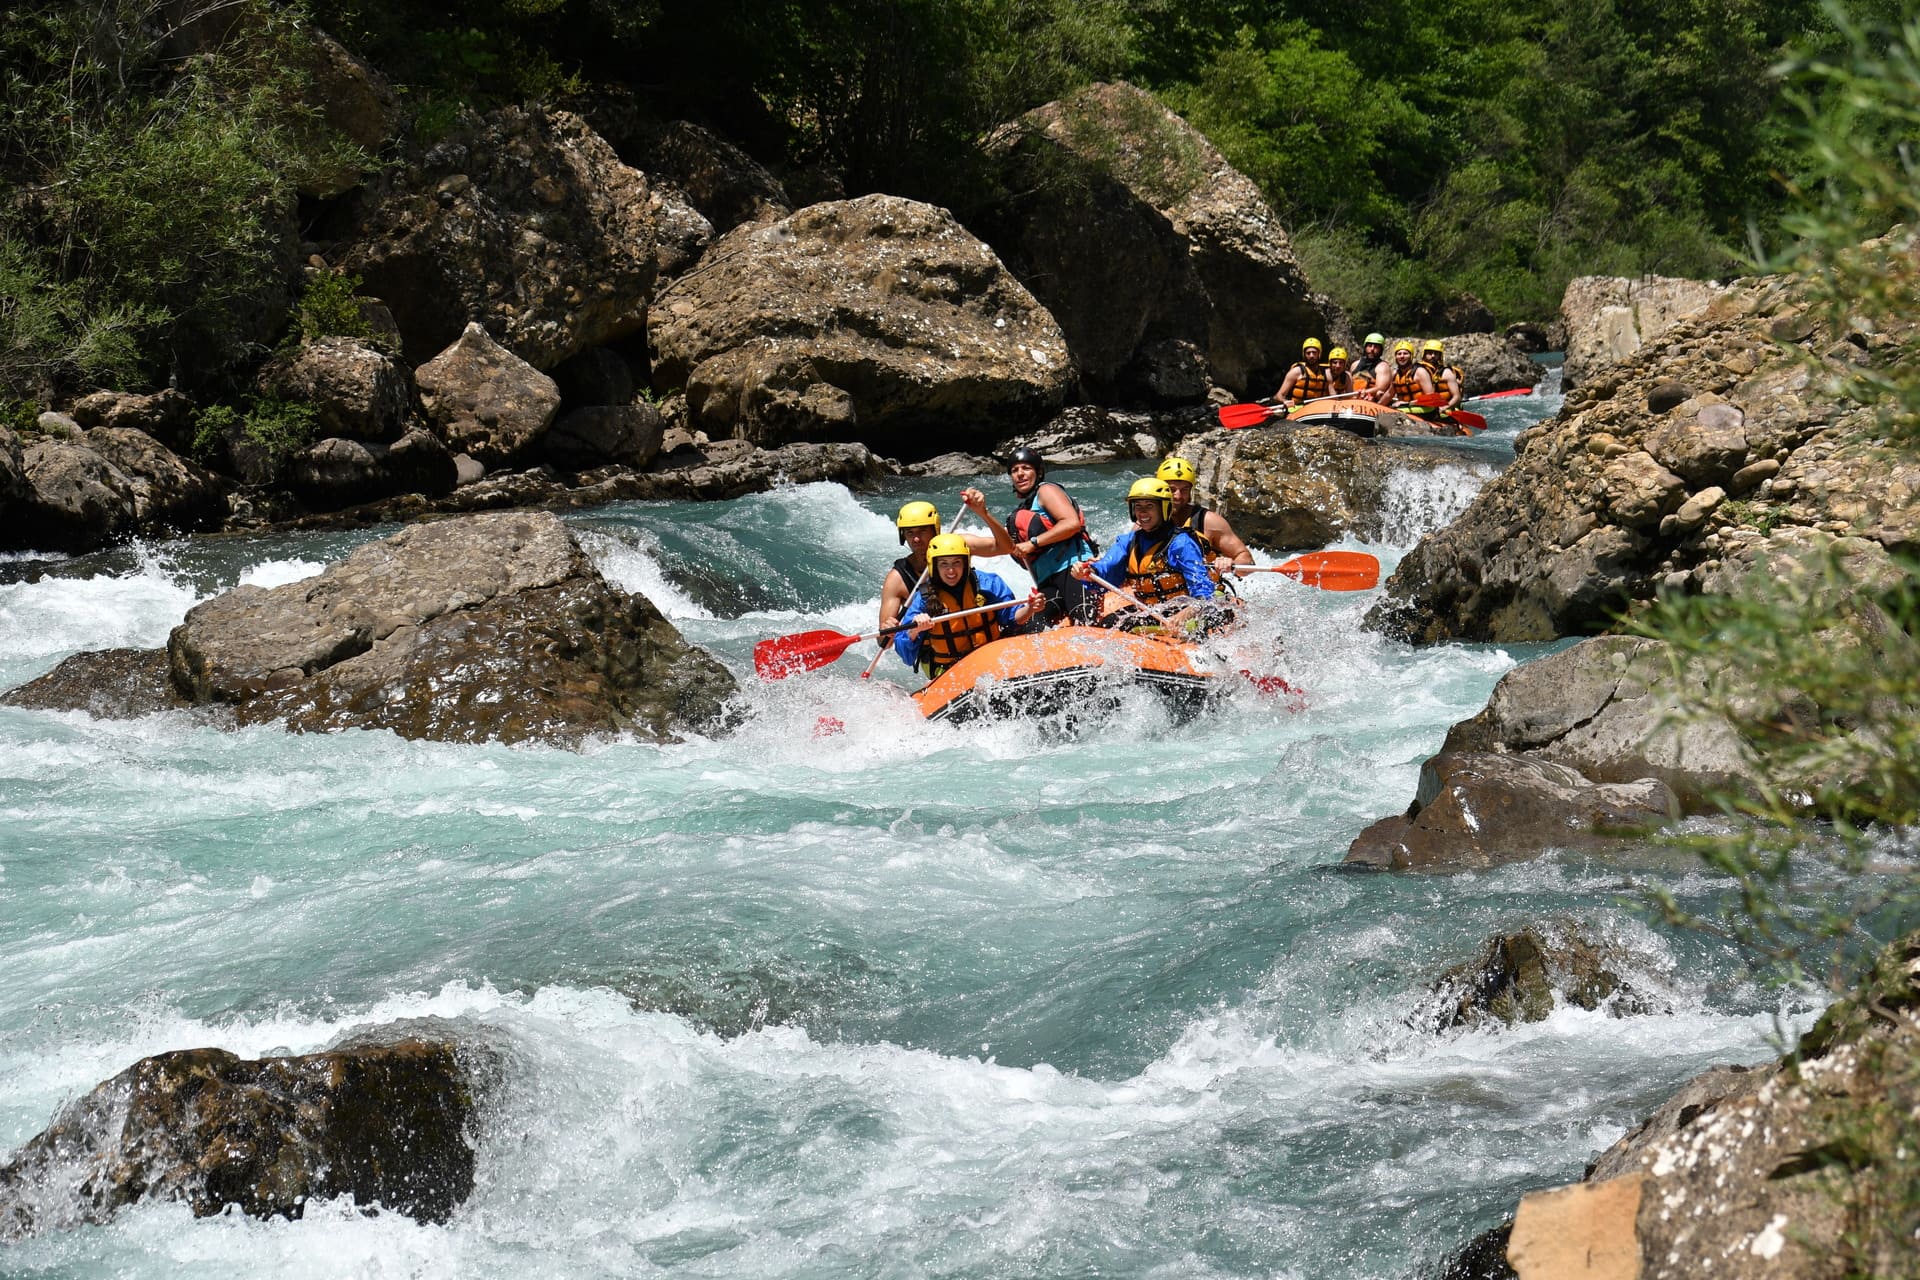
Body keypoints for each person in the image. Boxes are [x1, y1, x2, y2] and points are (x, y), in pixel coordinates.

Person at [1070, 478, 1223, 632]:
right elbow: (1107, 566)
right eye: (1138, 506)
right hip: (1152, 609)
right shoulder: (1128, 541)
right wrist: (1089, 572)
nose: (1142, 512)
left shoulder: (1181, 543)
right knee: (1106, 624)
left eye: (1149, 506)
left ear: (1164, 508)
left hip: (1185, 610)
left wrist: (1183, 616)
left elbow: (1203, 593)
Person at [974, 446, 1099, 626]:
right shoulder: (1020, 512)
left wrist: (1033, 543)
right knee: (1031, 626)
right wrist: (982, 513)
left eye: (1026, 468)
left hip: (1074, 569)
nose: (1020, 474)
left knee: (1086, 619)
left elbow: (1072, 523)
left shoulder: (1046, 491)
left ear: (1038, 472)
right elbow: (1002, 545)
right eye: (1014, 470)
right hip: (1047, 581)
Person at [894, 534, 1044, 679]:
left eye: (956, 563)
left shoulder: (987, 583)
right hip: (950, 670)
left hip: (991, 658)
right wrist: (915, 629)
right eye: (944, 564)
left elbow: (1012, 618)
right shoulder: (923, 598)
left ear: (966, 563)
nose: (951, 571)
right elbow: (905, 654)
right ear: (934, 566)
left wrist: (1030, 608)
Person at [879, 500, 999, 634]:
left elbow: (1005, 547)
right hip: (936, 648)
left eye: (922, 531)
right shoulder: (897, 579)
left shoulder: (959, 546)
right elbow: (883, 641)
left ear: (935, 530)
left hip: (977, 633)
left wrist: (984, 513)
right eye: (910, 533)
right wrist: (888, 630)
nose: (916, 539)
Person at [1155, 456, 1254, 587]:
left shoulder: (1209, 522)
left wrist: (1231, 564)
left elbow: (1247, 561)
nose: (1178, 496)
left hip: (1207, 596)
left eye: (1184, 489)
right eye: (1171, 489)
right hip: (1165, 599)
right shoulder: (1147, 523)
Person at [1275, 338, 1332, 408]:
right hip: (1299, 410)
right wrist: (1285, 401)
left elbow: (1334, 397)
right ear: (1304, 355)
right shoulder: (1296, 372)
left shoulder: (1327, 373)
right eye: (1308, 353)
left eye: (1314, 352)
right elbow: (1279, 396)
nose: (1311, 356)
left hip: (1318, 410)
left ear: (1319, 354)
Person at [1384, 339, 1437, 407]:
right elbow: (1389, 394)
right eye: (1399, 354)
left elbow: (1431, 397)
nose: (1402, 356)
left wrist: (1407, 403)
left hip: (1423, 410)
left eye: (1405, 353)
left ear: (1411, 356)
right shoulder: (1395, 374)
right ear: (1396, 357)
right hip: (1404, 409)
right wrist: (1377, 406)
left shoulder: (1420, 372)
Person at [1419, 339, 1465, 411]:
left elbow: (1457, 397)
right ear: (1424, 354)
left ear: (1440, 356)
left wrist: (1444, 408)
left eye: (1436, 353)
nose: (1433, 356)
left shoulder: (1447, 372)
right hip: (1427, 408)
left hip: (1446, 408)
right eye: (1430, 353)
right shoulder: (1418, 371)